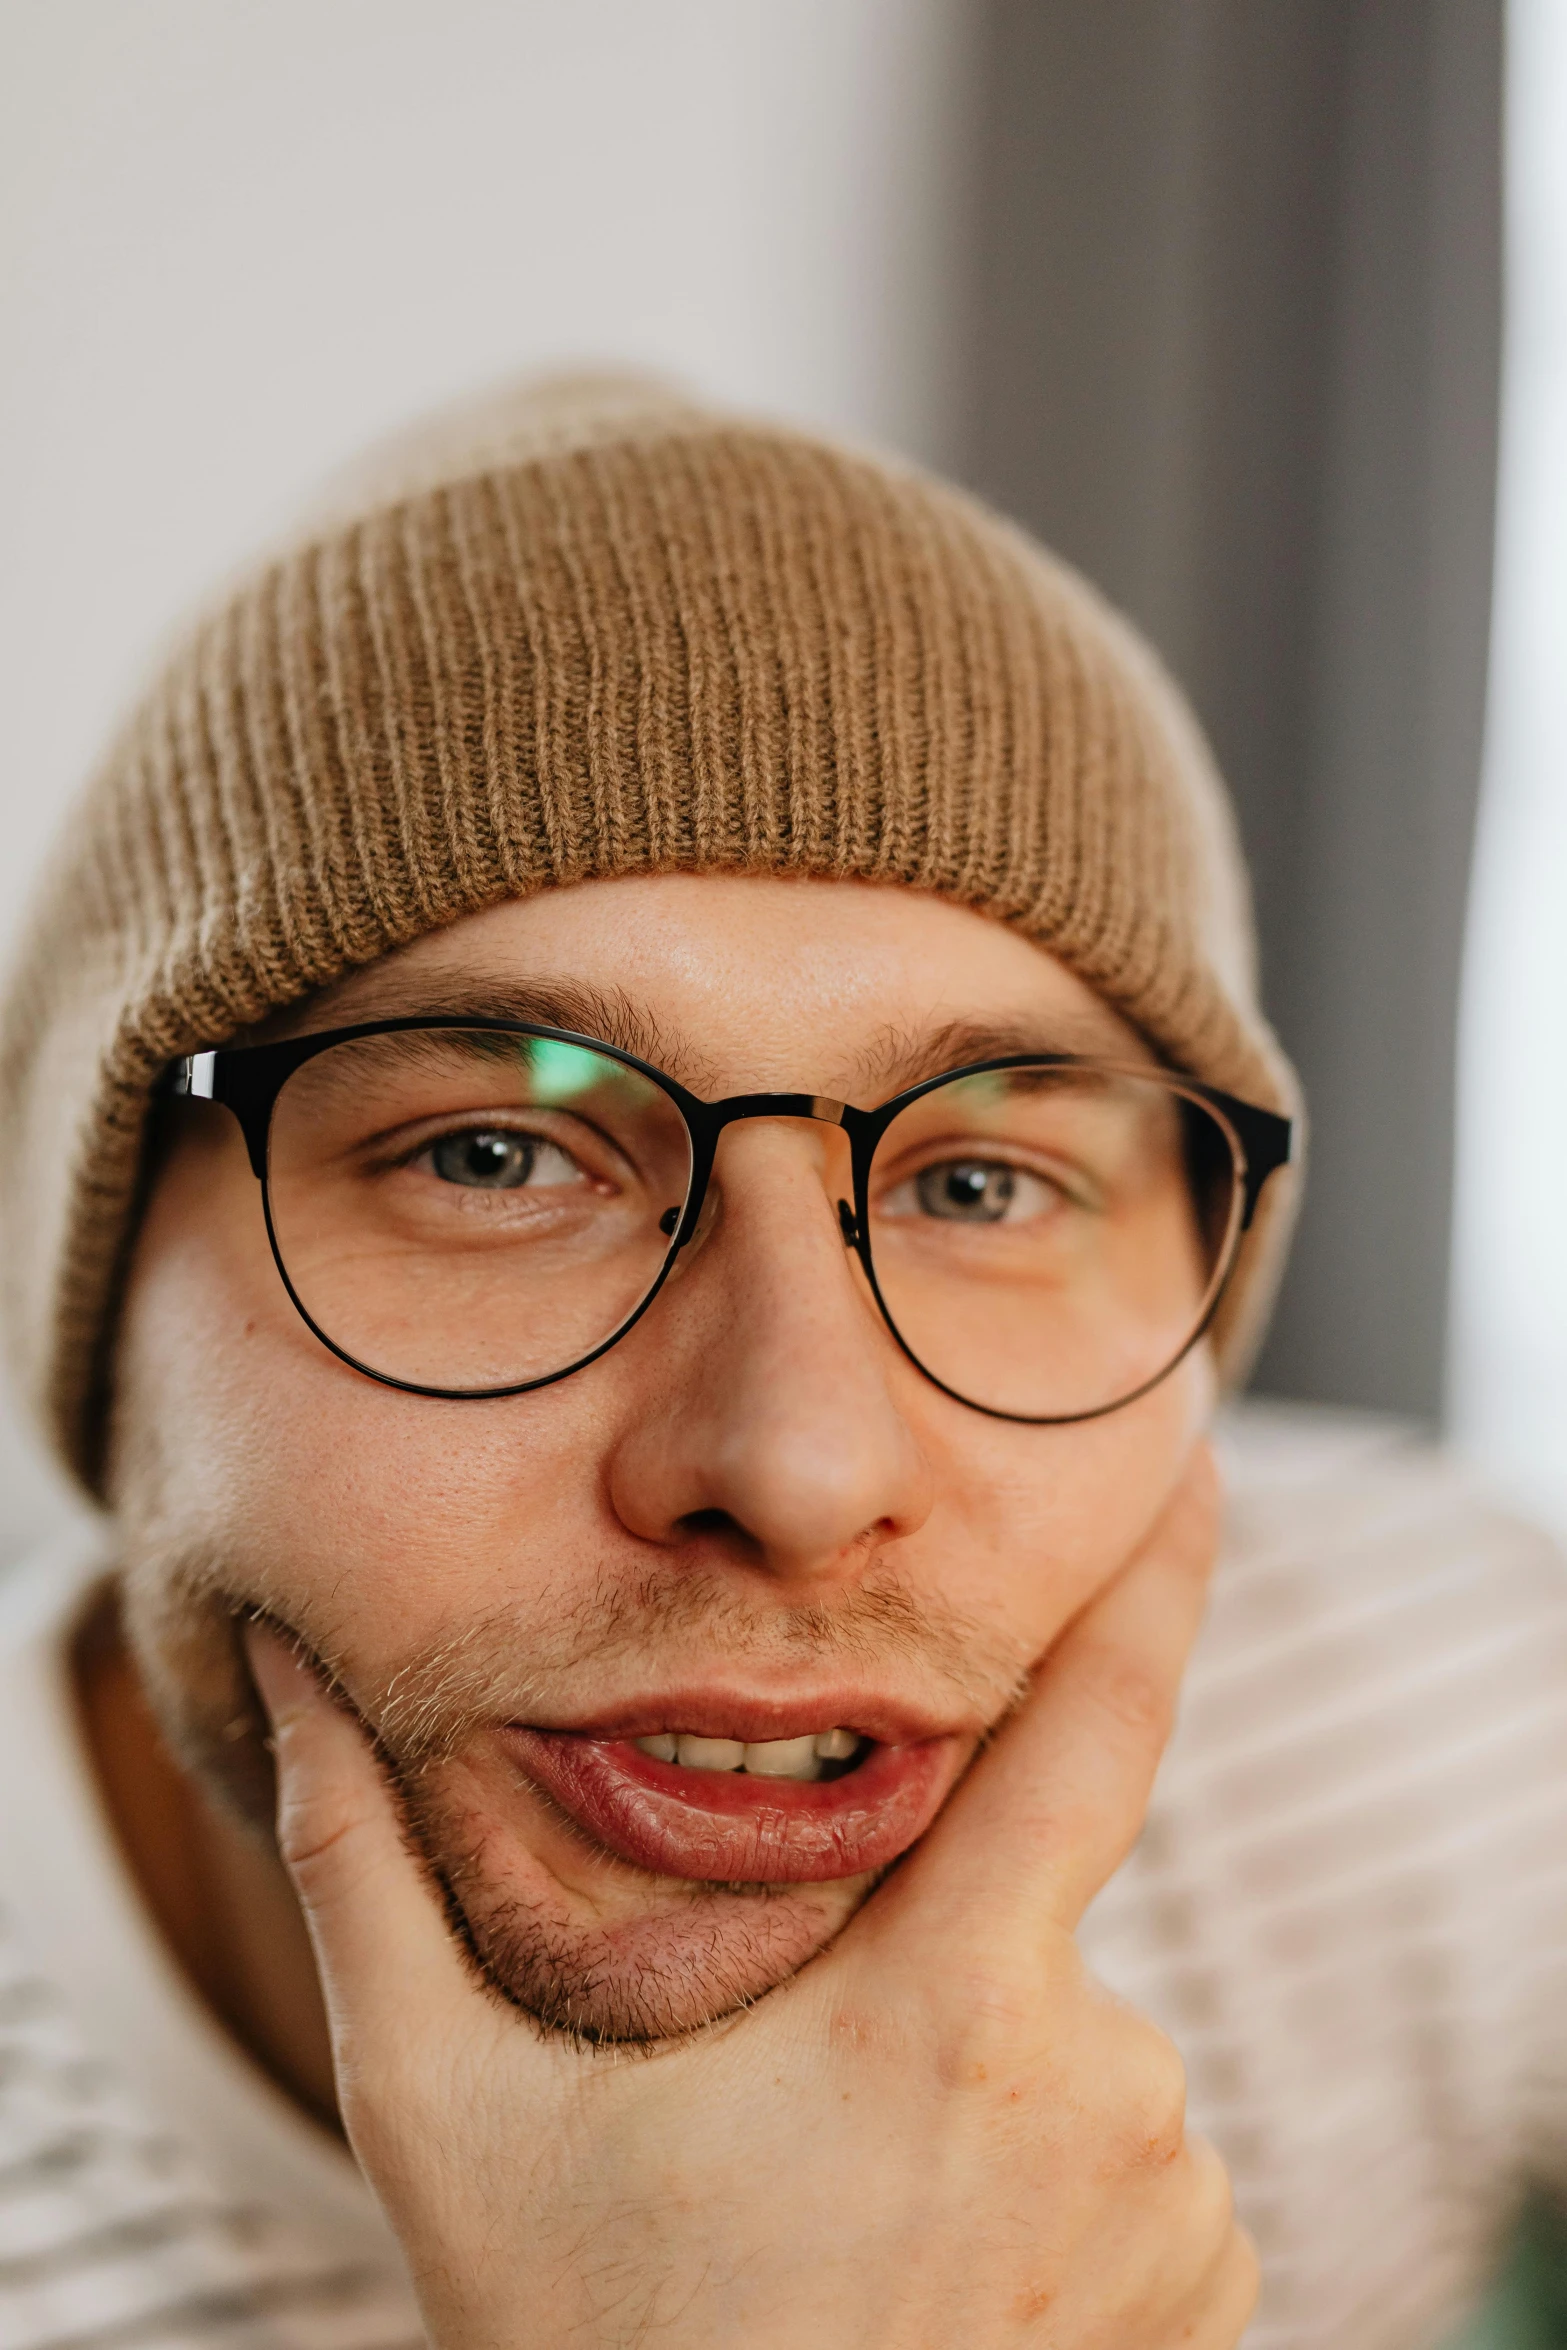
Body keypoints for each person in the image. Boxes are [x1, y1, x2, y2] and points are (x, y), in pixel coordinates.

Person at [0, 375, 1559, 2350]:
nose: (801, 1460)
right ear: (103, 1300)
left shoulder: (1463, 1704)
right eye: (496, 1154)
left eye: (981, 1178)